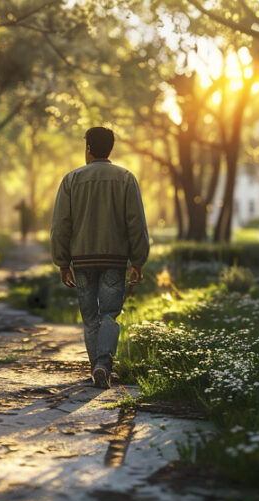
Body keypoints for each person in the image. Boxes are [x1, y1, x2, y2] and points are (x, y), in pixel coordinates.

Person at [50, 126, 149, 389]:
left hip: (81, 261)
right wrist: (138, 260)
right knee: (109, 314)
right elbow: (135, 222)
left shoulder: (71, 180)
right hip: (115, 260)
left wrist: (62, 263)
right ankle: (103, 364)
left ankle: (96, 368)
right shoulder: (126, 178)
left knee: (90, 317)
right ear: (111, 149)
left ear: (89, 149)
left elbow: (61, 224)